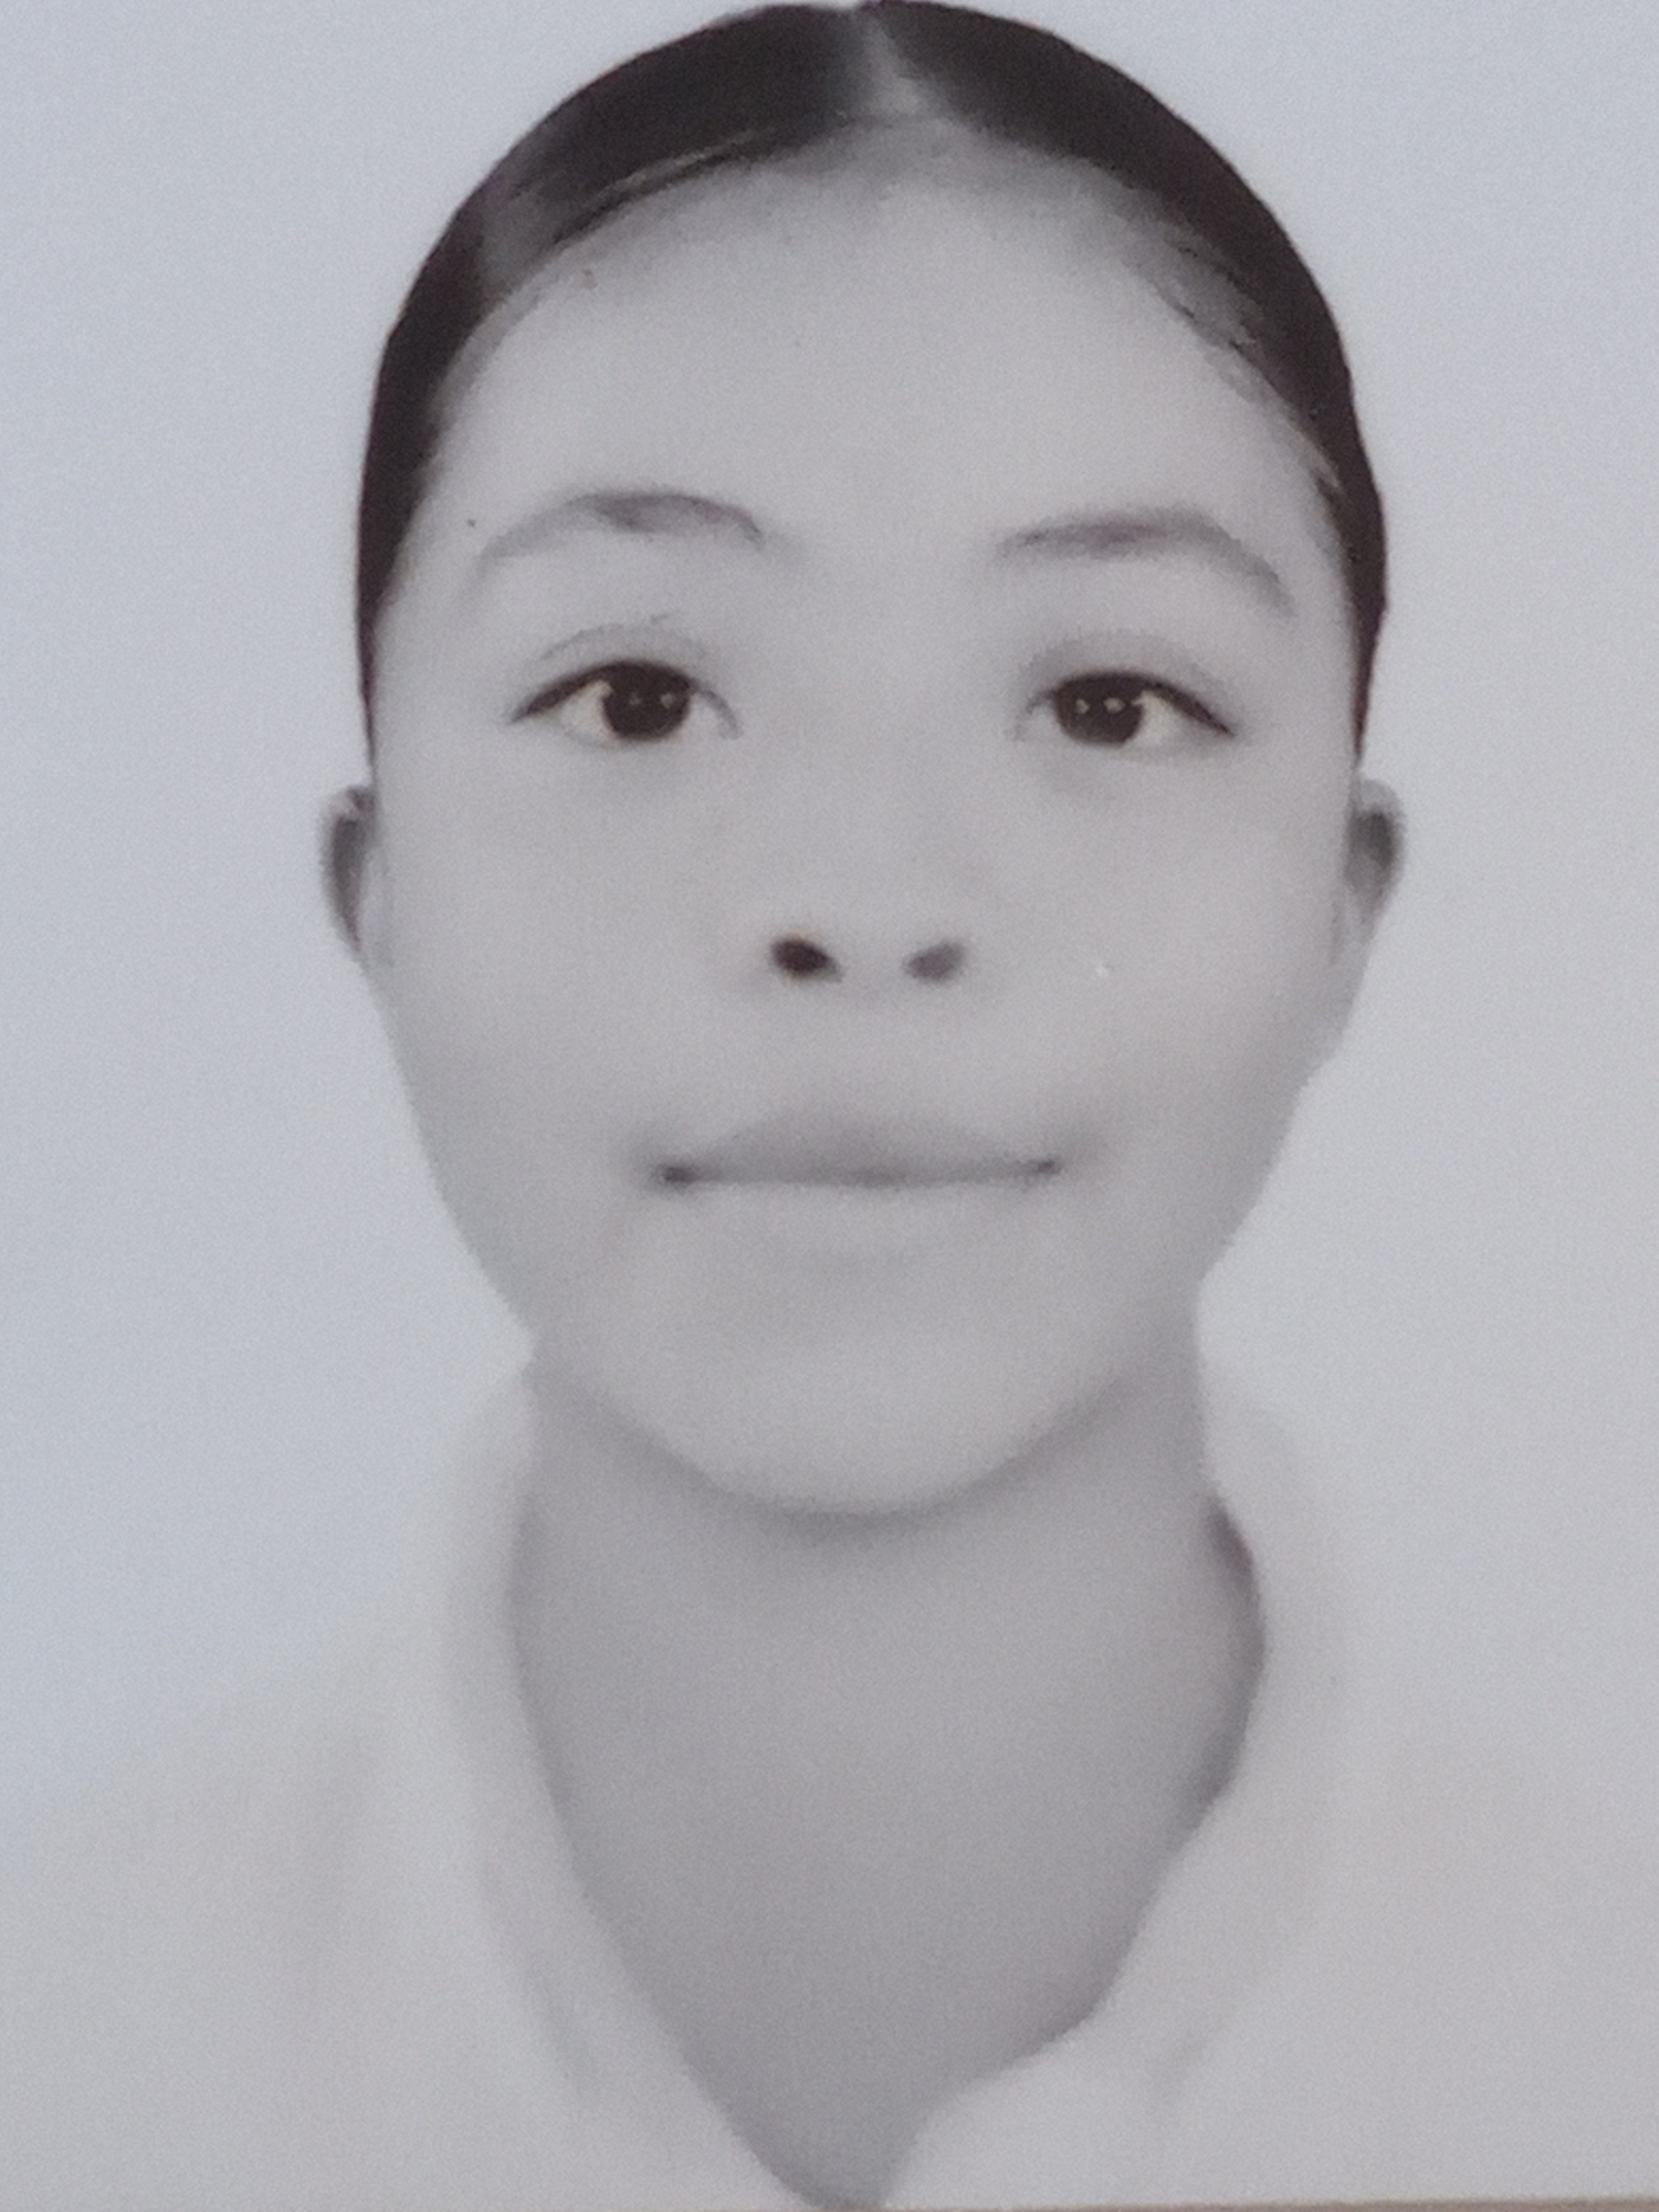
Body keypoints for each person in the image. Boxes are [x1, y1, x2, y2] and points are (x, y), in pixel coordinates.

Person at [3, 5, 1656, 2206]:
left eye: (1108, 699)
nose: (865, 905)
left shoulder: (1604, 2053)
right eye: (636, 693)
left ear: (1339, 906)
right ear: (378, 889)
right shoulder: (69, 2060)